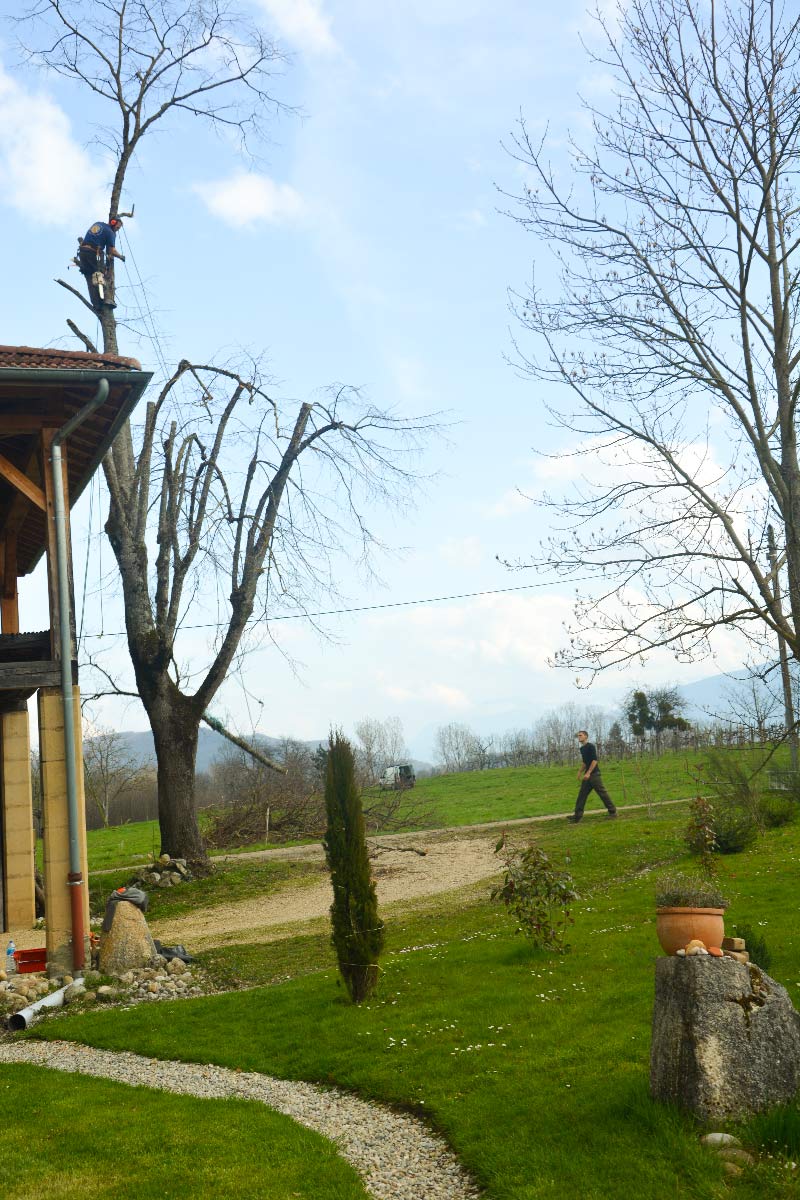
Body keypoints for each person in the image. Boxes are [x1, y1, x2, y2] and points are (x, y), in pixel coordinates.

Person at [568, 730, 617, 823]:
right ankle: (577, 816)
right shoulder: (582, 749)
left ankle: (613, 812)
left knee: (602, 794)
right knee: (581, 795)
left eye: (580, 735)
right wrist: (579, 772)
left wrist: (588, 773)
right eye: (578, 736)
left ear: (586, 736)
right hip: (587, 776)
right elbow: (584, 762)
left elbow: (594, 760)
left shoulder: (591, 746)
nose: (579, 737)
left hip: (594, 775)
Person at [77, 217, 125, 310]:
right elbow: (112, 251)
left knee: (90, 279)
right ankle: (107, 299)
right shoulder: (110, 233)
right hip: (92, 253)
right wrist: (121, 256)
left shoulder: (98, 223)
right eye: (117, 228)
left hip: (82, 252)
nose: (117, 230)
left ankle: (97, 305)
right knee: (102, 275)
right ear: (113, 223)